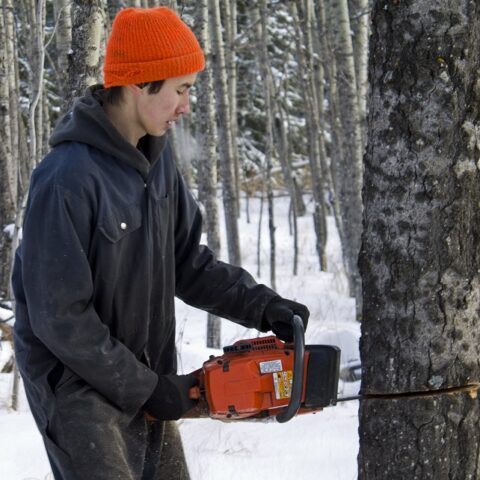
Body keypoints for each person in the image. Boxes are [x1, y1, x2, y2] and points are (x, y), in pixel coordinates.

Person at [12, 7, 309, 480]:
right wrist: (145, 388)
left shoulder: (157, 164)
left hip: (144, 374)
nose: (186, 106)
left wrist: (264, 307)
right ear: (138, 84)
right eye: (180, 89)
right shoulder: (66, 178)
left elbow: (188, 262)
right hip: (78, 391)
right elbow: (59, 317)